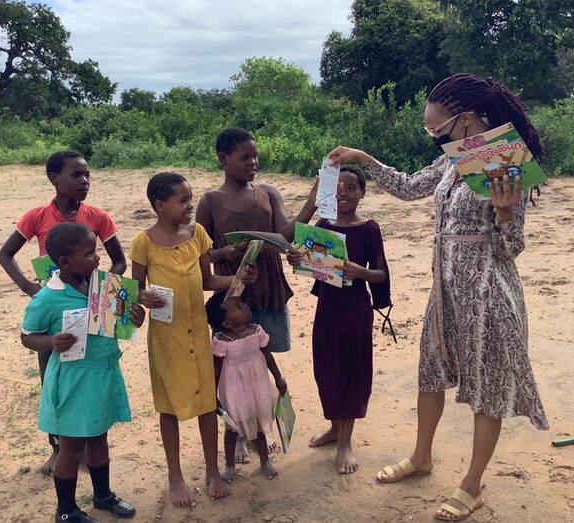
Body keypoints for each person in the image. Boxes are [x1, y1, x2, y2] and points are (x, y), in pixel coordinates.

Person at [326, 73, 548, 521]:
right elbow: (409, 187)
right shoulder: (454, 161)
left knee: (487, 389)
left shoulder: (505, 163)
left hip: (489, 297)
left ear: (465, 121)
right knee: (430, 373)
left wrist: (506, 213)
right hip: (445, 294)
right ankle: (421, 456)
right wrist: (363, 158)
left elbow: (511, 249)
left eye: (436, 130)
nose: (434, 138)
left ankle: (472, 484)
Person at [129, 172, 257, 508]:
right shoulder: (142, 243)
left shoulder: (198, 234)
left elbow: (208, 280)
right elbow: (134, 291)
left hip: (198, 332)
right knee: (169, 406)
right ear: (160, 205)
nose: (189, 205)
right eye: (183, 200)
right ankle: (176, 478)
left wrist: (239, 276)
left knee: (205, 403)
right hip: (165, 339)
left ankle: (213, 471)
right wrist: (143, 298)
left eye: (190, 198)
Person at [0, 150, 127, 475]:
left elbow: (119, 261)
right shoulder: (37, 216)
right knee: (53, 380)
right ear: (54, 179)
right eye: (76, 175)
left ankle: (87, 444)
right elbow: (5, 254)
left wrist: (102, 294)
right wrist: (30, 288)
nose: (84, 181)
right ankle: (59, 448)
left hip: (92, 309)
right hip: (56, 312)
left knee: (91, 374)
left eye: (87, 175)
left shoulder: (98, 216)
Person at [195, 127, 316, 462]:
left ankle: (258, 430)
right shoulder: (209, 202)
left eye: (255, 156)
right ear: (223, 159)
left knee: (259, 357)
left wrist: (312, 202)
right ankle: (239, 434)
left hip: (267, 285)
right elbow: (200, 253)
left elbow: (283, 234)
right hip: (232, 294)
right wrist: (226, 254)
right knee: (231, 364)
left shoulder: (268, 192)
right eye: (244, 157)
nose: (253, 163)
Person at [20, 222, 144, 523]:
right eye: (89, 254)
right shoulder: (47, 299)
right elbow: (27, 336)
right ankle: (66, 510)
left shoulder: (105, 285)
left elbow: (122, 323)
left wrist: (135, 317)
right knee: (71, 446)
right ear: (64, 262)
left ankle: (103, 496)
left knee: (99, 437)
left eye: (97, 251)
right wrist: (50, 342)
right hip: (73, 381)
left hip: (103, 373)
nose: (98, 258)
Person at [292, 165, 389, 475]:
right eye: (339, 187)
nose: (344, 193)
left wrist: (360, 272)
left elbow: (381, 273)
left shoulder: (369, 229)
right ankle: (334, 429)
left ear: (363, 192)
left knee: (351, 371)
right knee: (327, 368)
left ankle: (345, 442)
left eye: (351, 188)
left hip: (355, 310)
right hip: (328, 309)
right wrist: (298, 258)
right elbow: (310, 262)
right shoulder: (322, 225)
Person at [205, 292, 287, 482]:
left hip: (257, 385)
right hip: (234, 389)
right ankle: (229, 465)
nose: (245, 306)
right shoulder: (222, 341)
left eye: (241, 303)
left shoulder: (257, 331)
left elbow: (267, 356)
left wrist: (278, 377)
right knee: (233, 427)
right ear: (226, 323)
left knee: (258, 423)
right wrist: (213, 393)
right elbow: (216, 369)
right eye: (238, 307)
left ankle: (264, 462)